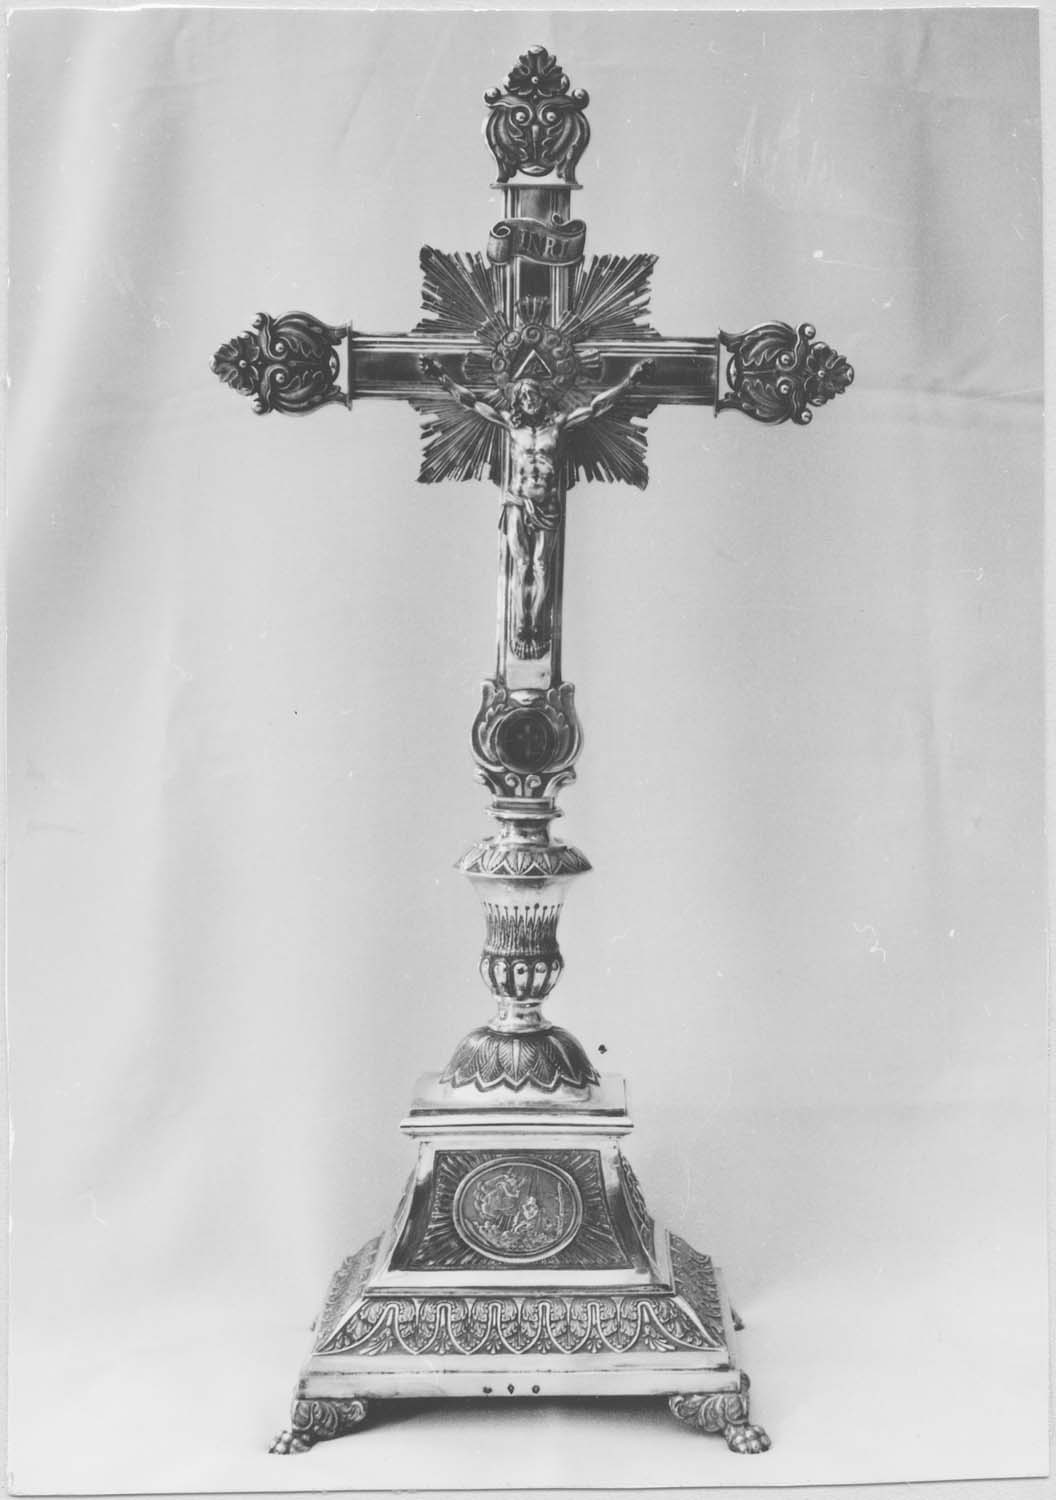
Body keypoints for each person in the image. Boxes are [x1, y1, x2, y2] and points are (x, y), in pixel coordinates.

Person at [419, 356, 654, 658]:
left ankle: (537, 622)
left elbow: (597, 407)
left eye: (533, 394)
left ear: (543, 397)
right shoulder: (510, 424)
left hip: (547, 503)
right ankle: (521, 624)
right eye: (523, 396)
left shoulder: (557, 425)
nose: (529, 400)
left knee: (541, 565)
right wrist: (442, 377)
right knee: (521, 565)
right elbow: (472, 402)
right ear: (517, 401)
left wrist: (630, 383)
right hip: (517, 500)